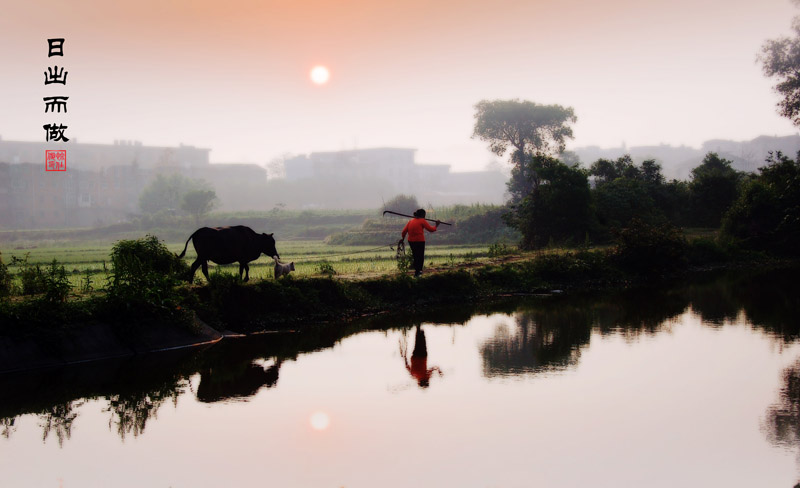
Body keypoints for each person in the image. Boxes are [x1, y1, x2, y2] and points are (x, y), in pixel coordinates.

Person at [400, 208, 440, 277]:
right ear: (422, 215)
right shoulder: (422, 221)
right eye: (424, 215)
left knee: (415, 256)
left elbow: (404, 231)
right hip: (420, 241)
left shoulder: (410, 221)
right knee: (420, 256)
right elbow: (431, 229)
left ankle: (417, 271)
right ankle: (419, 272)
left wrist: (403, 239)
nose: (425, 217)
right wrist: (436, 225)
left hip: (411, 241)